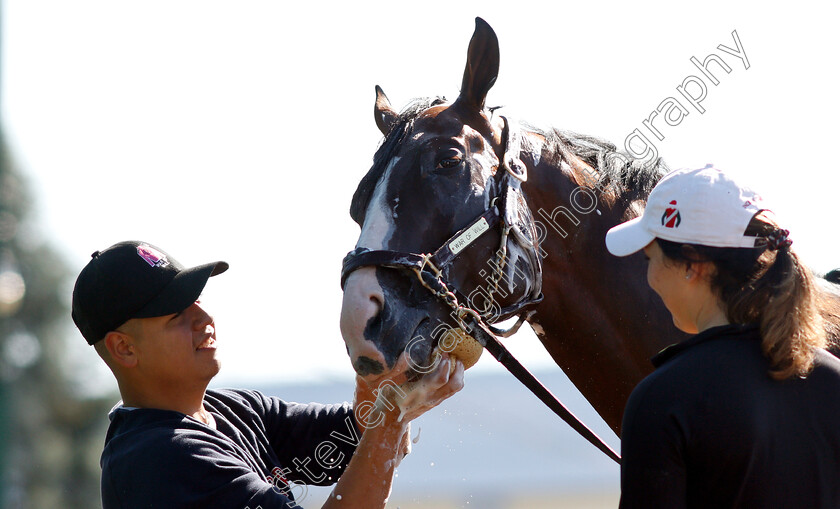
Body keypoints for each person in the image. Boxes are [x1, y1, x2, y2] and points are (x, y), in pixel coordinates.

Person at [71, 240, 464, 508]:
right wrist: (393, 412)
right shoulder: (158, 459)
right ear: (124, 348)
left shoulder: (233, 409)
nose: (204, 318)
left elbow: (356, 435)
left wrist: (380, 367)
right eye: (177, 314)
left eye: (198, 301)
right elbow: (377, 435)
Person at [604, 165, 840, 508]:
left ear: (692, 265)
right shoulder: (833, 381)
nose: (649, 276)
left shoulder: (664, 399)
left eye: (649, 258)